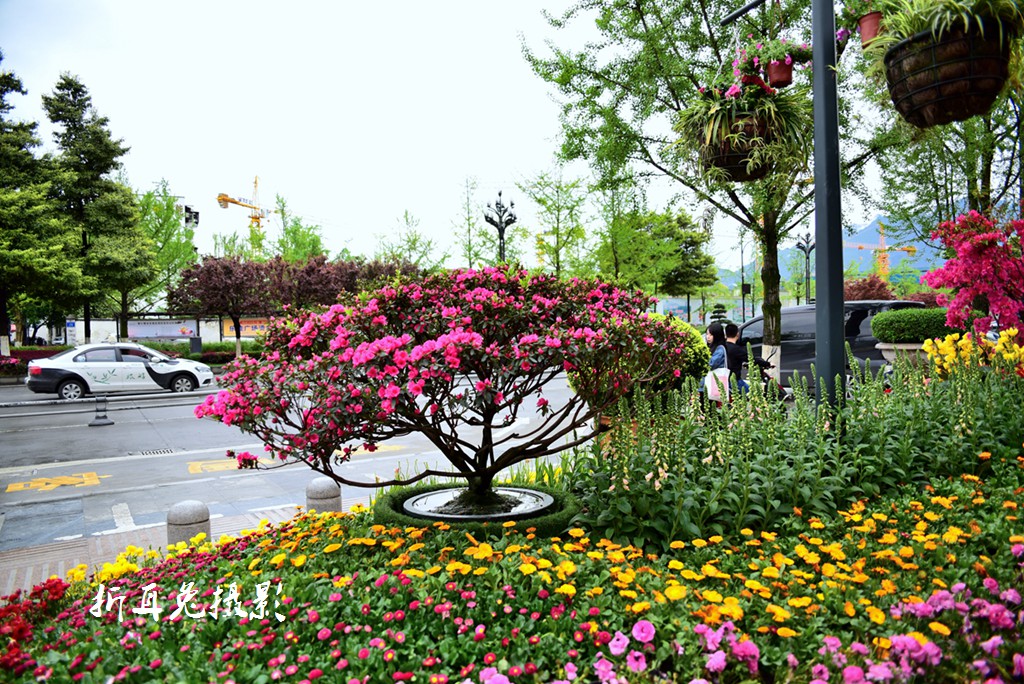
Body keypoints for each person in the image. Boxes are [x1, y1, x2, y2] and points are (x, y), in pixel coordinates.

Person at [724, 323, 750, 393]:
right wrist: (767, 363)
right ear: (737, 334)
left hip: (723, 380)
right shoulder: (738, 349)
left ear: (725, 335)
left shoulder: (722, 347)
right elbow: (751, 359)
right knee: (752, 393)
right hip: (735, 381)